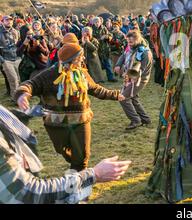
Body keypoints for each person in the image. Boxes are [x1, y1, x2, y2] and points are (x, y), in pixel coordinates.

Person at [15, 42, 125, 171]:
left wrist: (116, 95)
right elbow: (30, 84)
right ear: (69, 60)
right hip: (56, 123)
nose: (83, 59)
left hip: (81, 120)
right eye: (80, 57)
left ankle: (78, 177)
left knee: (82, 156)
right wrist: (23, 94)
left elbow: (96, 89)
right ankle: (76, 167)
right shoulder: (50, 74)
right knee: (62, 150)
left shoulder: (82, 73)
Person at [0, 105, 131, 204]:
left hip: (81, 122)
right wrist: (93, 175)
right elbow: (27, 192)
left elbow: (94, 87)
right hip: (60, 127)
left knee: (81, 155)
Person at [115, 30, 153, 130]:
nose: (129, 44)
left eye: (131, 42)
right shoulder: (130, 47)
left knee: (123, 98)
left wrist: (130, 76)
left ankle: (135, 120)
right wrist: (118, 64)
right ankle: (145, 119)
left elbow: (142, 69)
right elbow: (123, 55)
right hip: (130, 78)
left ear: (137, 39)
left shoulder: (145, 52)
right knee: (133, 98)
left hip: (139, 79)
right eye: (128, 41)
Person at [0, 15, 21, 100]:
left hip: (16, 58)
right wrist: (2, 61)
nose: (9, 22)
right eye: (7, 20)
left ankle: (17, 97)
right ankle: (16, 99)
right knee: (14, 80)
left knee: (18, 80)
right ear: (2, 22)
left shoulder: (16, 31)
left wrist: (20, 57)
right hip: (6, 60)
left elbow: (18, 44)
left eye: (10, 20)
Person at [92, 17, 117, 83]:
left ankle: (110, 77)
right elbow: (91, 39)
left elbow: (110, 35)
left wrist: (107, 37)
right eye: (95, 22)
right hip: (97, 50)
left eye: (98, 22)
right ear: (93, 23)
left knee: (108, 64)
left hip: (105, 49)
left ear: (100, 22)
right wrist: (100, 38)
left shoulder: (104, 28)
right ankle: (99, 79)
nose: (97, 23)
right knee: (97, 65)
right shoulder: (92, 29)